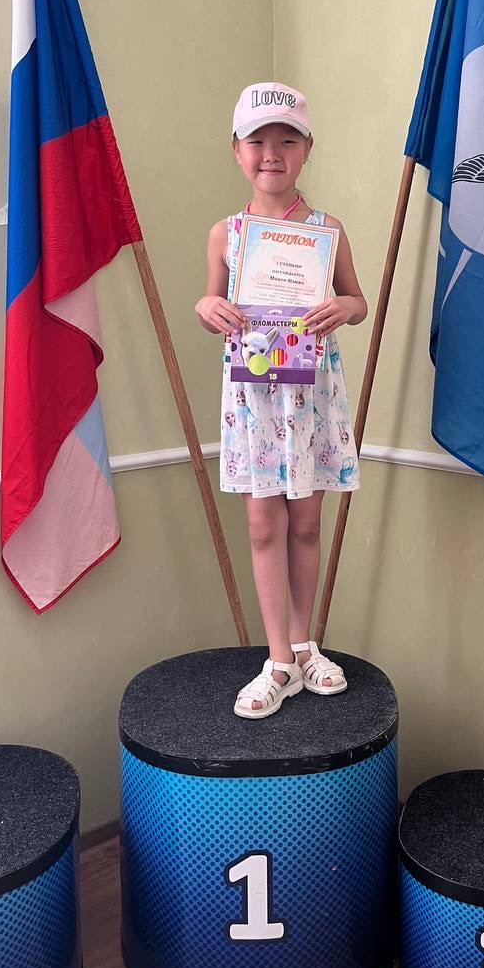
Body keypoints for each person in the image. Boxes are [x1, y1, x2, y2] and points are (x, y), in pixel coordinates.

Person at [195, 83, 367, 719]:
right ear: (237, 150)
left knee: (307, 522)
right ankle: (278, 662)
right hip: (255, 399)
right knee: (264, 523)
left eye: (287, 140)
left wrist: (344, 307)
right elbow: (212, 299)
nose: (272, 153)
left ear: (307, 149)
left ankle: (303, 644)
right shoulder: (226, 234)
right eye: (258, 140)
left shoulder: (328, 231)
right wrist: (207, 306)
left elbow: (358, 301)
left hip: (311, 395)